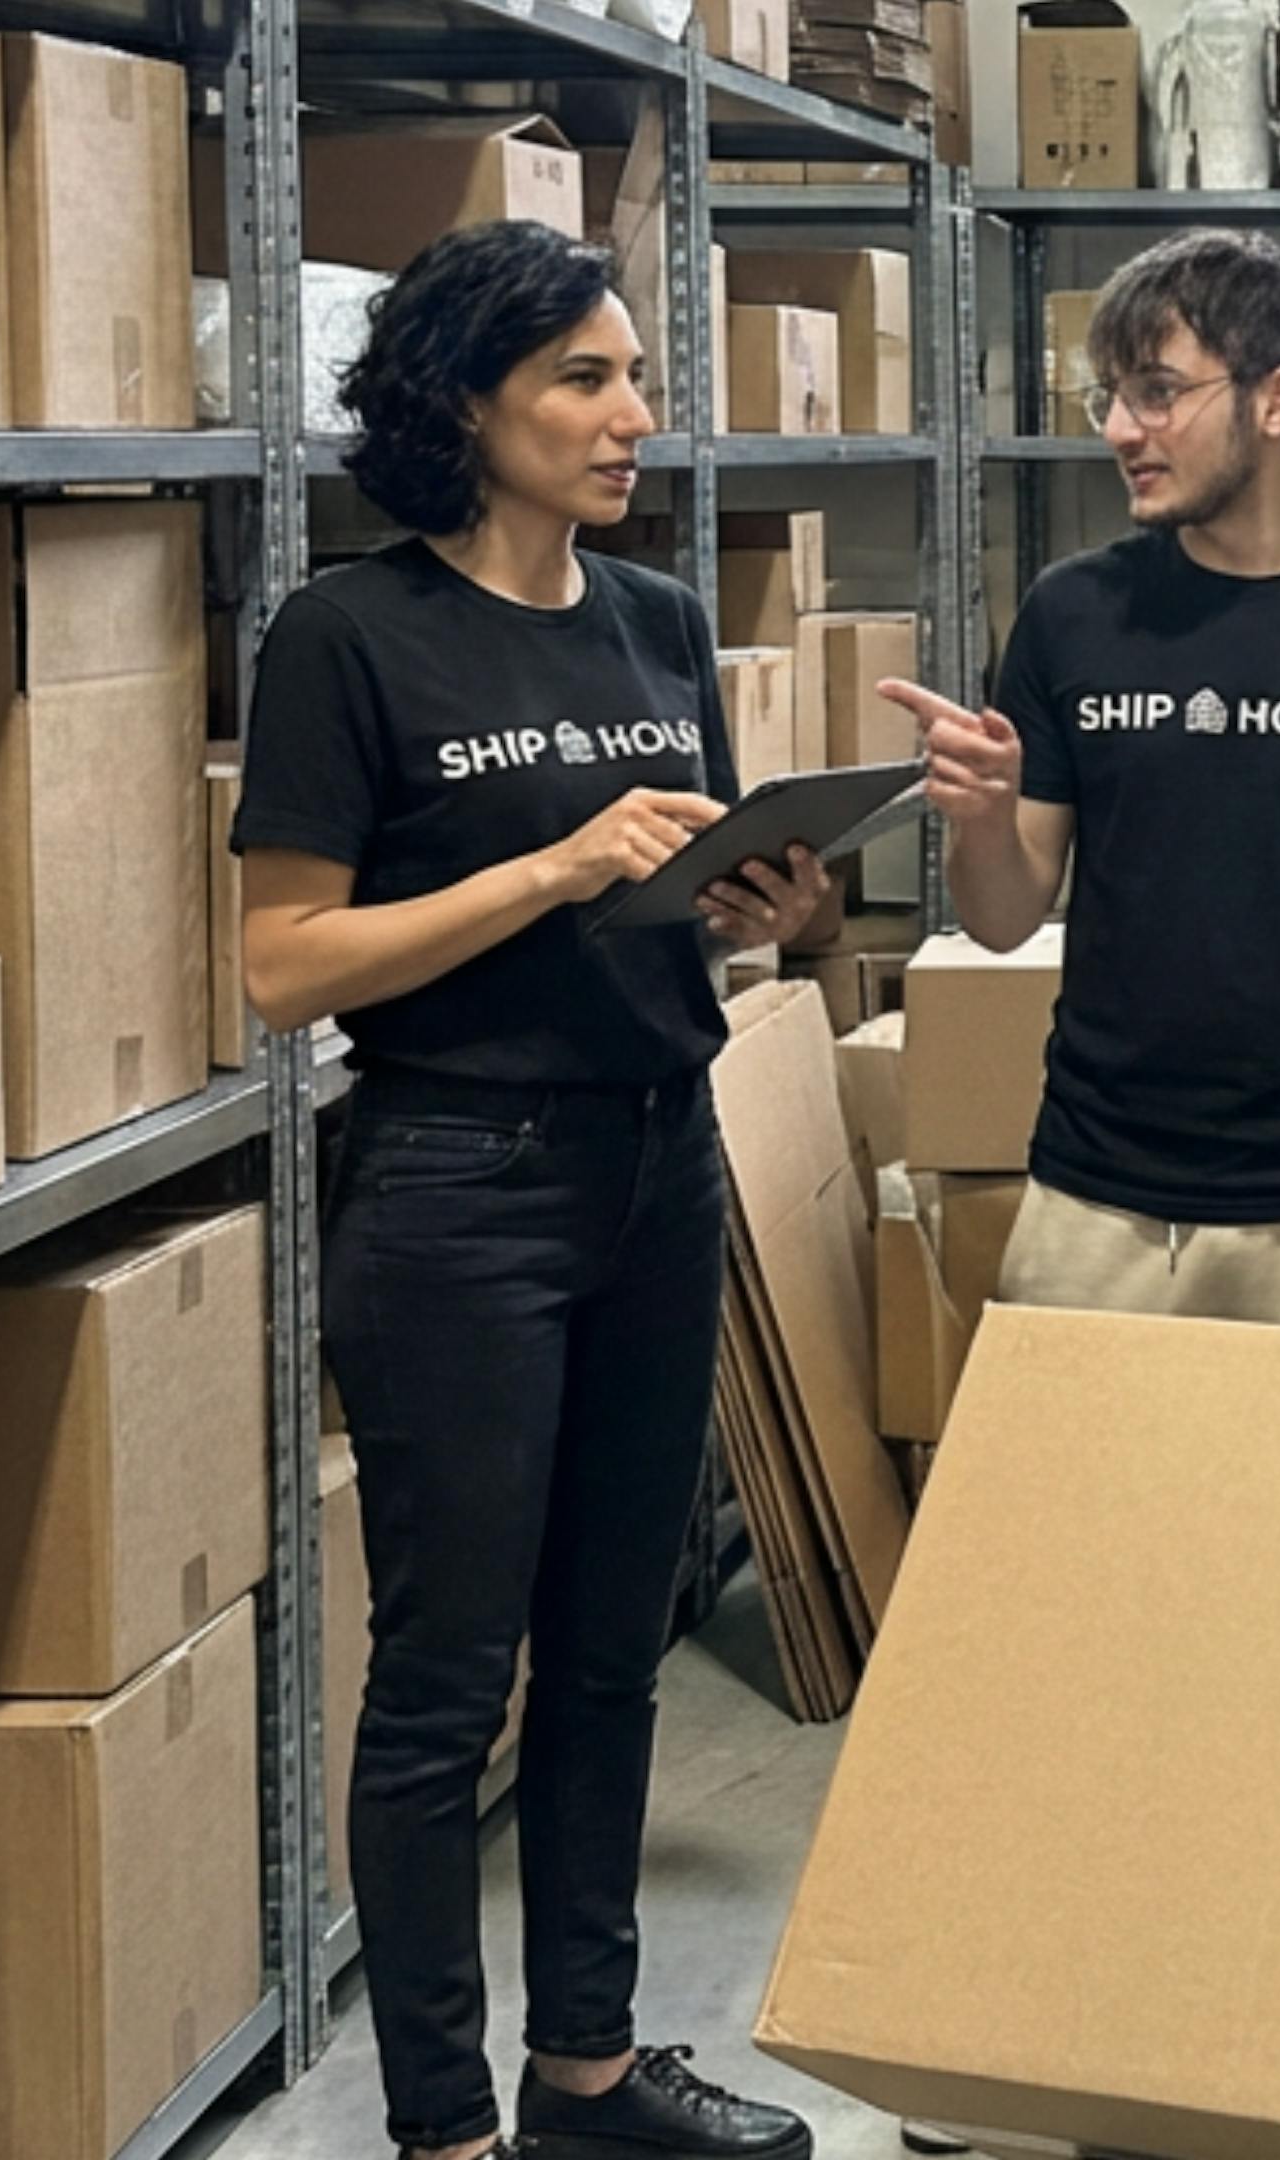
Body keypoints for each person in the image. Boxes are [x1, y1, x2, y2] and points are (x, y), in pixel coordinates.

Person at [873, 232, 1280, 2155]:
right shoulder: (1080, 617)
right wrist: (988, 826)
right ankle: (1043, 2026)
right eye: (1109, 393)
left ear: (1279, 399)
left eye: (1155, 390)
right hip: (1104, 1202)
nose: (1118, 429)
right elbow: (1014, 914)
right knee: (1070, 1636)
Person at [234, 221, 834, 2160]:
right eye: (583, 379)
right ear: (464, 402)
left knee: (607, 1651)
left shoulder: (656, 625)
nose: (631, 415)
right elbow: (287, 964)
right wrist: (551, 872)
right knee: (445, 1682)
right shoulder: (350, 637)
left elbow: (700, 915)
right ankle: (440, 2130)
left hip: (659, 1163)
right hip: (453, 1190)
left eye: (635, 376)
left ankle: (586, 2074)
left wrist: (781, 913)